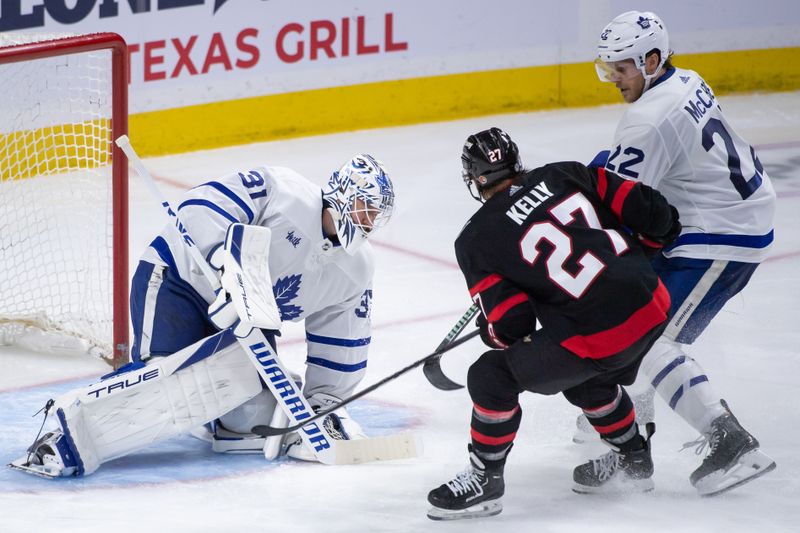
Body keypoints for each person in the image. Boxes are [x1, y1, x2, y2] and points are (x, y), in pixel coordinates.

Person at [11, 154, 396, 476]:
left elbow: (341, 343)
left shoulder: (355, 269)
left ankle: (218, 411)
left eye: (376, 215)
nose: (368, 220)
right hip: (178, 283)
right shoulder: (285, 191)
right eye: (365, 206)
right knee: (165, 389)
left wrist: (322, 404)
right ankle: (65, 433)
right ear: (343, 193)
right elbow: (202, 205)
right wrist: (225, 268)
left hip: (247, 322)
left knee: (251, 422)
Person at [426, 127, 681, 521]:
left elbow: (513, 324)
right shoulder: (567, 173)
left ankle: (484, 480)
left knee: (490, 377)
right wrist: (636, 261)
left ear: (475, 179)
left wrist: (491, 329)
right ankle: (634, 459)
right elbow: (656, 213)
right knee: (584, 375)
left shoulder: (475, 239)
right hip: (653, 303)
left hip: (602, 334)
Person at [575, 10, 777, 496]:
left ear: (650, 59)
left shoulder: (646, 119)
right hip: (720, 219)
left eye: (621, 68)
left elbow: (623, 205)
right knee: (631, 331)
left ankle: (731, 442)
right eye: (608, 68)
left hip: (722, 234)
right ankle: (633, 449)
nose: (613, 79)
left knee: (646, 340)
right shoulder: (684, 79)